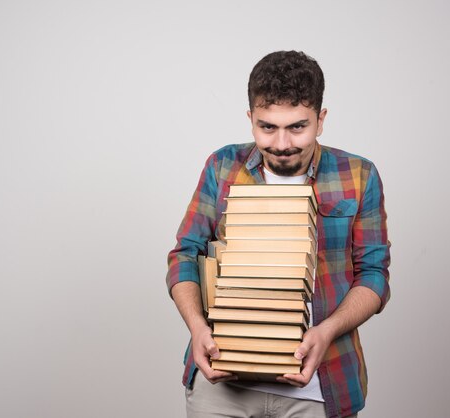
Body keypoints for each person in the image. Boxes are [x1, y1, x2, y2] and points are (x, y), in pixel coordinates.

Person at [166, 50, 390, 418]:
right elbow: (184, 255)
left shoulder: (359, 175)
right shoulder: (222, 166)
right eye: (267, 127)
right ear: (250, 118)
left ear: (321, 120)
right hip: (223, 383)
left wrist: (327, 331)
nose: (282, 144)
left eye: (297, 127)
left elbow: (374, 275)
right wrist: (196, 327)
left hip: (319, 385)